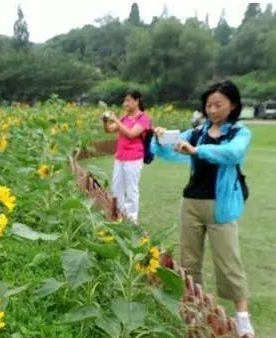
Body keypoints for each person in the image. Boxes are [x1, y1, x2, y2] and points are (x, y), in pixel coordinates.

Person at [151, 80, 254, 338]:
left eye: (218, 104)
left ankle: (242, 317)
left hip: (221, 207)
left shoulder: (239, 134)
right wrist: (160, 139)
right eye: (208, 105)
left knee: (229, 261)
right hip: (192, 204)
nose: (212, 110)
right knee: (189, 261)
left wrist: (198, 150)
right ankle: (195, 309)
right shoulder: (197, 131)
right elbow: (170, 153)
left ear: (232, 105)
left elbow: (232, 154)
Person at [102, 89, 152, 224]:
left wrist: (116, 120)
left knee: (131, 188)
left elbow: (131, 134)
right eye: (125, 100)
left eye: (129, 100)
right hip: (120, 157)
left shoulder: (144, 119)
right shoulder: (124, 118)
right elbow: (109, 130)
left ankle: (132, 218)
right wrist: (105, 120)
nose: (125, 103)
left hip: (134, 158)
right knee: (116, 187)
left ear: (137, 101)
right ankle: (119, 214)